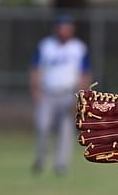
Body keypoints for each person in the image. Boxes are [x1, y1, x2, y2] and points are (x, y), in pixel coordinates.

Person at [30, 14, 91, 175]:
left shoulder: (78, 48)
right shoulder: (46, 46)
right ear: (57, 29)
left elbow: (84, 74)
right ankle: (41, 160)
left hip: (68, 93)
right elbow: (36, 69)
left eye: (68, 28)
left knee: (66, 130)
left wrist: (82, 96)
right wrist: (35, 88)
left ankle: (61, 164)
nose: (65, 31)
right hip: (48, 93)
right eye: (62, 28)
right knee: (42, 126)